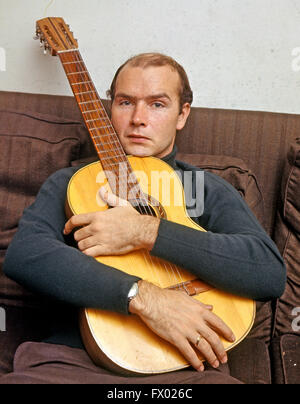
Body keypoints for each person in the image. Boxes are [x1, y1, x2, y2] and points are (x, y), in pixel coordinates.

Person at [0, 53, 286, 384]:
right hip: (70, 365)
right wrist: (143, 298)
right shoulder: (70, 182)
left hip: (188, 370)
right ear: (109, 110)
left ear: (182, 114)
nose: (138, 118)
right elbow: (26, 255)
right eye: (125, 102)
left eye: (157, 104)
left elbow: (267, 272)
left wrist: (147, 231)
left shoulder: (204, 188)